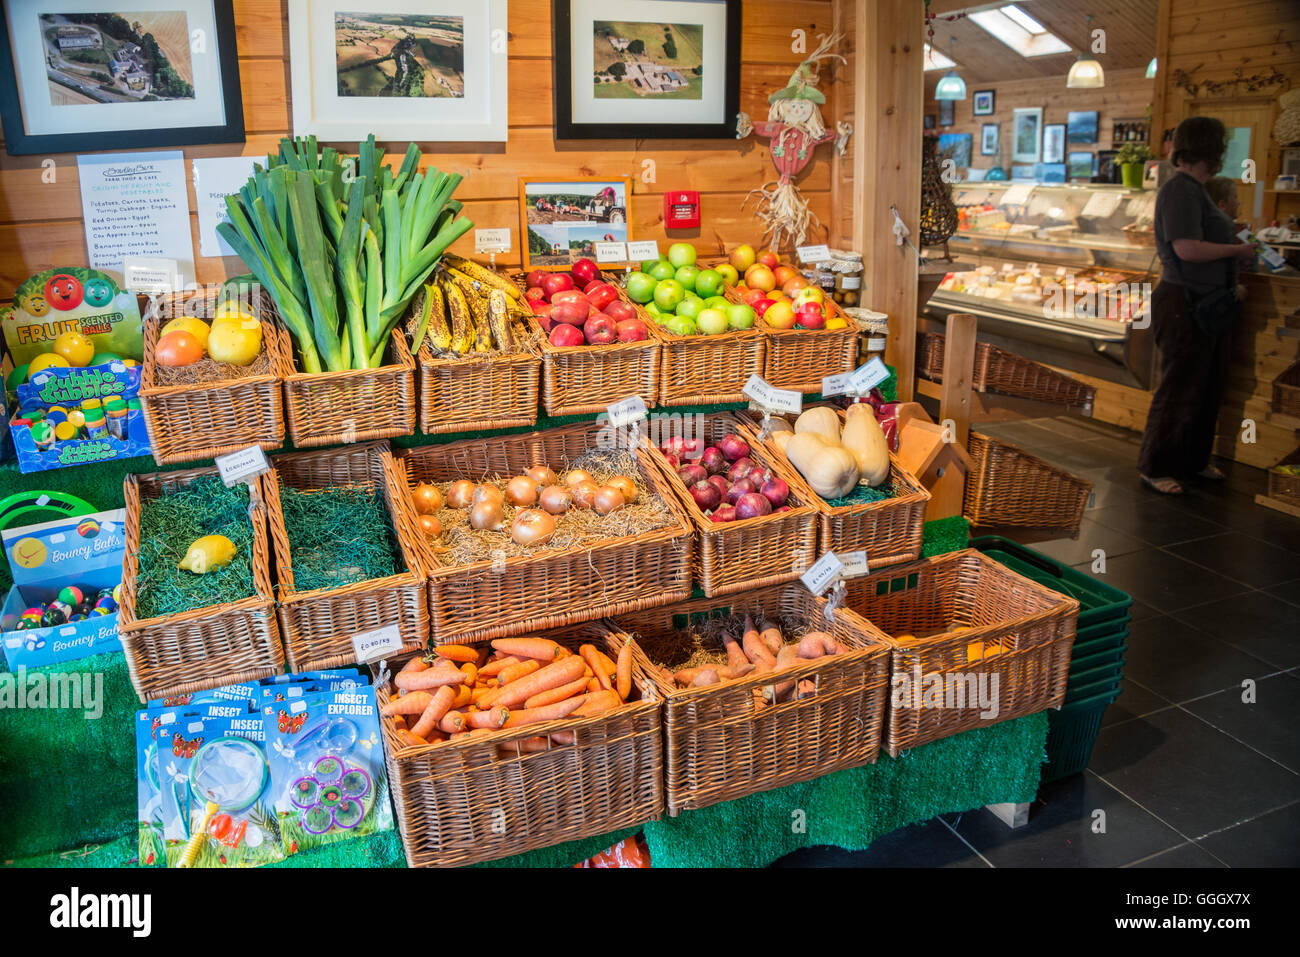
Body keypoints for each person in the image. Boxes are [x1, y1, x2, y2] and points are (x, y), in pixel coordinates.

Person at [1137, 117, 1256, 495]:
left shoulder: (1197, 190)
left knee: (1207, 385)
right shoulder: (1181, 191)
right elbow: (1186, 248)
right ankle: (1155, 466)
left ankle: (1192, 461)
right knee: (1180, 386)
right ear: (1209, 149)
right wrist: (1237, 249)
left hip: (1205, 303)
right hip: (1182, 302)